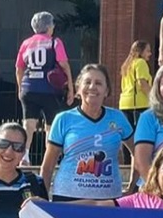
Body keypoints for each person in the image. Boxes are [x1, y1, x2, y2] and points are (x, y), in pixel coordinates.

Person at [40, 65, 134, 201]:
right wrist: (42, 200)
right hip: (68, 198)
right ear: (78, 89)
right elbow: (48, 166)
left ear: (107, 91)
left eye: (99, 83)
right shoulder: (63, 119)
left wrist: (132, 187)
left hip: (109, 200)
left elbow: (138, 153)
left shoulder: (118, 118)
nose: (92, 87)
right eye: (87, 82)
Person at [15, 11, 74, 163]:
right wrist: (71, 87)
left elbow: (19, 68)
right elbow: (64, 64)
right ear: (49, 27)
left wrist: (20, 87)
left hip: (29, 86)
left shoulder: (26, 43)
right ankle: (50, 157)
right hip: (49, 88)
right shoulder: (55, 42)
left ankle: (25, 155)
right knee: (51, 125)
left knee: (28, 123)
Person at [118, 41, 154, 128]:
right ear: (140, 52)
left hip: (124, 104)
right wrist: (154, 98)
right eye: (148, 51)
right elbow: (142, 84)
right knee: (142, 132)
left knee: (128, 134)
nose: (150, 53)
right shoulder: (141, 62)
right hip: (139, 104)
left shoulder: (127, 65)